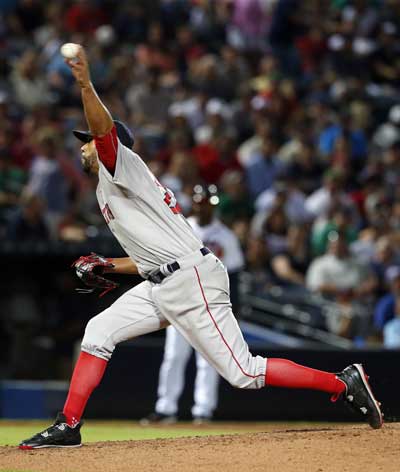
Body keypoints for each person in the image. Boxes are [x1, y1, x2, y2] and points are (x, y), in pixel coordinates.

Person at [19, 46, 383, 450]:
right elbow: (148, 261)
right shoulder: (116, 189)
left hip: (191, 280)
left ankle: (343, 382)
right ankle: (68, 425)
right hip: (165, 279)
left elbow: (104, 133)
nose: (83, 146)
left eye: (87, 140)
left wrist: (86, 84)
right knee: (98, 330)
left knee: (244, 372)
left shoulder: (119, 164)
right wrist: (109, 265)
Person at [142, 184, 244, 424]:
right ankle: (166, 408)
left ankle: (203, 409)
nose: (204, 206)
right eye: (200, 201)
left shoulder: (225, 236)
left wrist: (234, 307)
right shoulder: (181, 227)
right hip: (180, 300)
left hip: (210, 304)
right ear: (194, 203)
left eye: (208, 202)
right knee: (173, 356)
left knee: (208, 359)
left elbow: (236, 273)